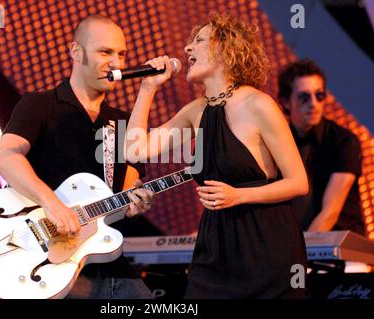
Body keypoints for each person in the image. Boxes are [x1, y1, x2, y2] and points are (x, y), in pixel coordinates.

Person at [124, 14, 309, 298]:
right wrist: (148, 88)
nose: (187, 49)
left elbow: (298, 182)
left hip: (265, 246)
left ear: (226, 49)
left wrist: (239, 195)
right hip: (215, 248)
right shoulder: (196, 110)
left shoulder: (258, 104)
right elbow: (135, 150)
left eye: (198, 41)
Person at [0, 15, 155, 299]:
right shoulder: (39, 105)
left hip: (104, 262)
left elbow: (126, 193)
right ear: (76, 52)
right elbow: (6, 157)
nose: (116, 62)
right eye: (105, 52)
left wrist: (133, 204)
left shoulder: (123, 123)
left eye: (121, 54)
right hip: (46, 264)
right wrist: (52, 203)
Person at [278, 59, 365, 235]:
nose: (313, 104)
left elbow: (329, 213)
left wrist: (301, 253)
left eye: (319, 95)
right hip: (299, 247)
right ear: (286, 102)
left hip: (343, 251)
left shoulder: (344, 141)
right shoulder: (278, 141)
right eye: (304, 97)